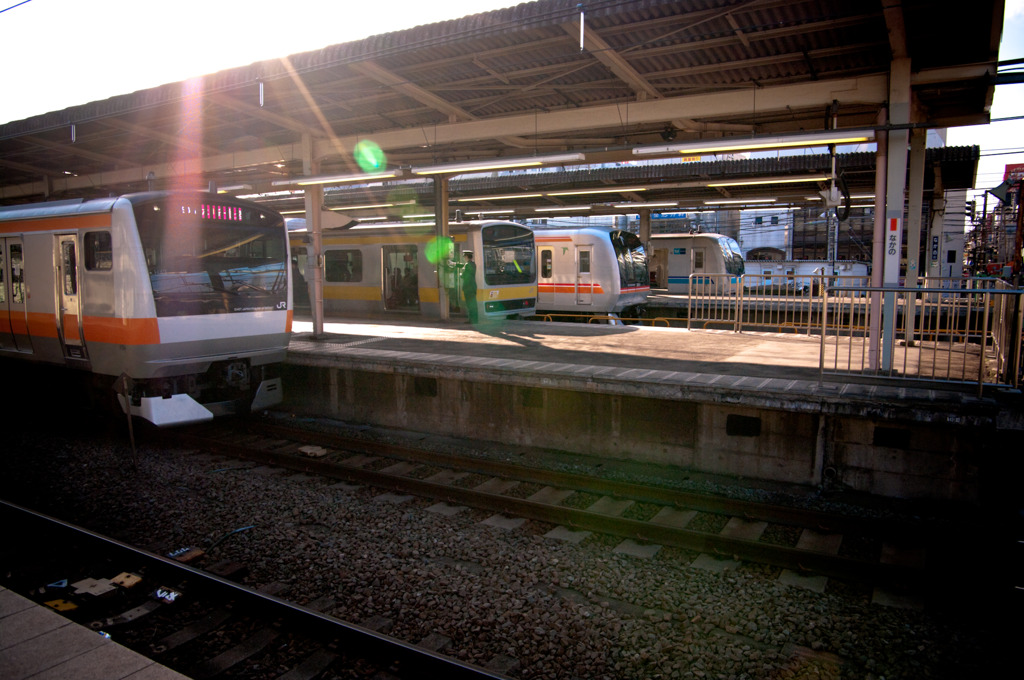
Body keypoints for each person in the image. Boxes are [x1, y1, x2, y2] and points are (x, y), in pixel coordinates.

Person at [460, 251, 477, 324]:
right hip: (473, 287)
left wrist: (460, 273)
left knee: (469, 304)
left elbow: (463, 275)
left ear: (467, 256)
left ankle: (471, 320)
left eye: (464, 256)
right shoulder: (473, 264)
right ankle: (475, 319)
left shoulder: (467, 265)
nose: (464, 258)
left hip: (468, 287)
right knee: (473, 304)